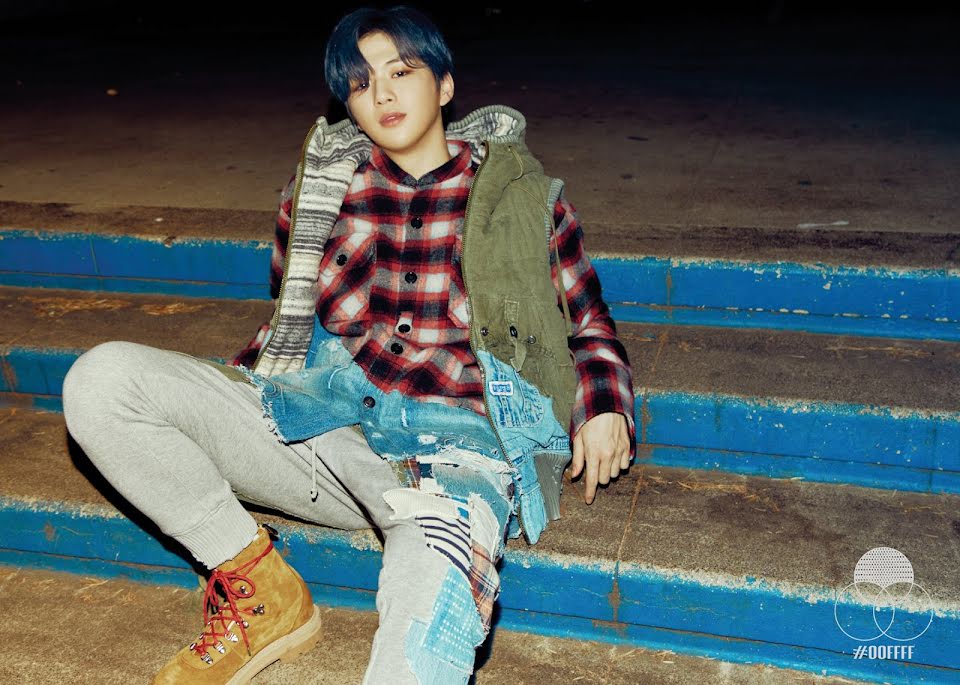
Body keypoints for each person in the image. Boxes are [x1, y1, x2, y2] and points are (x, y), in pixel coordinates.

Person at [61, 4, 636, 684]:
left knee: (422, 637)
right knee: (101, 381)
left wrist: (605, 404)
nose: (383, 94)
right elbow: (288, 320)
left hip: (451, 459)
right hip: (323, 429)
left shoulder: (526, 200)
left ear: (445, 85)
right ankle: (261, 592)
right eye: (361, 84)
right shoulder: (321, 194)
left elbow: (588, 322)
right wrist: (219, 403)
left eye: (402, 72)